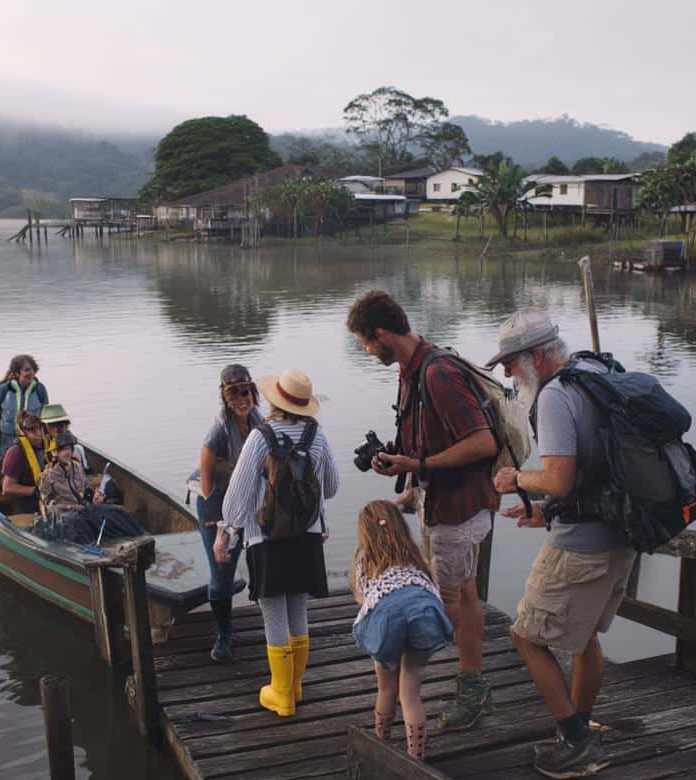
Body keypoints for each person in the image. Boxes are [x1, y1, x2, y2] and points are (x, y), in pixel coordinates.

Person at [487, 309, 637, 780]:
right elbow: (594, 472)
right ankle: (579, 727)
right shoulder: (596, 370)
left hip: (580, 547)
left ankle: (576, 744)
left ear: (535, 357)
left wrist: (515, 479)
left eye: (510, 363)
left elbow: (559, 478)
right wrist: (547, 510)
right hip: (621, 534)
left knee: (525, 636)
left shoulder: (554, 395)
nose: (507, 374)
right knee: (583, 635)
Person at [346, 289, 499, 732]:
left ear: (380, 334)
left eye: (365, 343)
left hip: (459, 508)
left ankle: (444, 688)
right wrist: (404, 469)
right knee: (463, 593)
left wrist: (419, 466)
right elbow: (427, 440)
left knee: (449, 600)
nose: (367, 351)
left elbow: (483, 442)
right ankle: (469, 685)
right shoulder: (410, 370)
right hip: (438, 502)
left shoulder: (437, 373)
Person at [215, 368, 339, 717]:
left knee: (273, 613)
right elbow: (331, 486)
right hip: (307, 536)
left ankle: (281, 695)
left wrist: (229, 532)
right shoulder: (317, 435)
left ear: (274, 400)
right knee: (298, 607)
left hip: (266, 537)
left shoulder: (261, 436)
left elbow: (237, 496)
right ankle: (295, 685)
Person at [351, 500, 455, 761]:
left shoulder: (364, 562)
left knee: (386, 688)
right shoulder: (417, 558)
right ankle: (415, 757)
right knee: (410, 695)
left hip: (386, 618)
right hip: (424, 615)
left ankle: (382, 741)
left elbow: (364, 601)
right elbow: (434, 589)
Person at [191, 364, 263, 664]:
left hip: (248, 499)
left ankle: (266, 615)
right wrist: (219, 526)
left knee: (261, 559)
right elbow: (207, 485)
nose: (241, 399)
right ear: (224, 396)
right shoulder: (218, 432)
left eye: (245, 392)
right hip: (216, 504)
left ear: (253, 392)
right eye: (233, 394)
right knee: (221, 572)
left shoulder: (260, 422)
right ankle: (224, 634)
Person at [37, 432, 142, 545]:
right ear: (56, 453)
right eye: (62, 450)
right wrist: (69, 507)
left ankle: (135, 539)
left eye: (69, 449)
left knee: (115, 513)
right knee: (83, 526)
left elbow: (87, 488)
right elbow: (46, 505)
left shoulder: (77, 467)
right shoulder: (48, 475)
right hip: (66, 516)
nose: (66, 452)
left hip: (84, 510)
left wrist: (95, 496)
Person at [0, 354, 48, 490]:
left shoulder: (40, 390)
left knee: (35, 470)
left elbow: (45, 418)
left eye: (32, 369)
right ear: (16, 373)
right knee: (1, 471)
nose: (30, 373)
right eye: (26, 370)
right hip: (7, 439)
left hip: (33, 438)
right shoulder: (3, 390)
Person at [0, 412, 46, 514]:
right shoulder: (15, 453)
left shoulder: (46, 446)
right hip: (27, 501)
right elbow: (7, 488)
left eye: (40, 428)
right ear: (22, 432)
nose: (38, 434)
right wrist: (35, 491)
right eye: (32, 430)